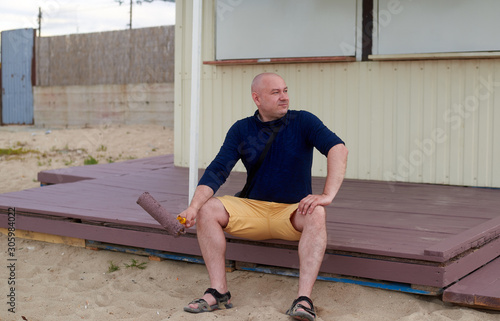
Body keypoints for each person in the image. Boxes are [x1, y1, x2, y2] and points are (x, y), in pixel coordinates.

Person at [179, 72, 348, 321]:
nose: (284, 97)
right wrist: (193, 207)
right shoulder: (241, 129)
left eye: (286, 90)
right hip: (252, 209)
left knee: (318, 213)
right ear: (256, 98)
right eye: (276, 92)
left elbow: (338, 148)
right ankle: (218, 291)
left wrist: (327, 194)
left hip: (290, 213)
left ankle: (303, 299)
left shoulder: (303, 122)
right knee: (207, 208)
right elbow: (217, 170)